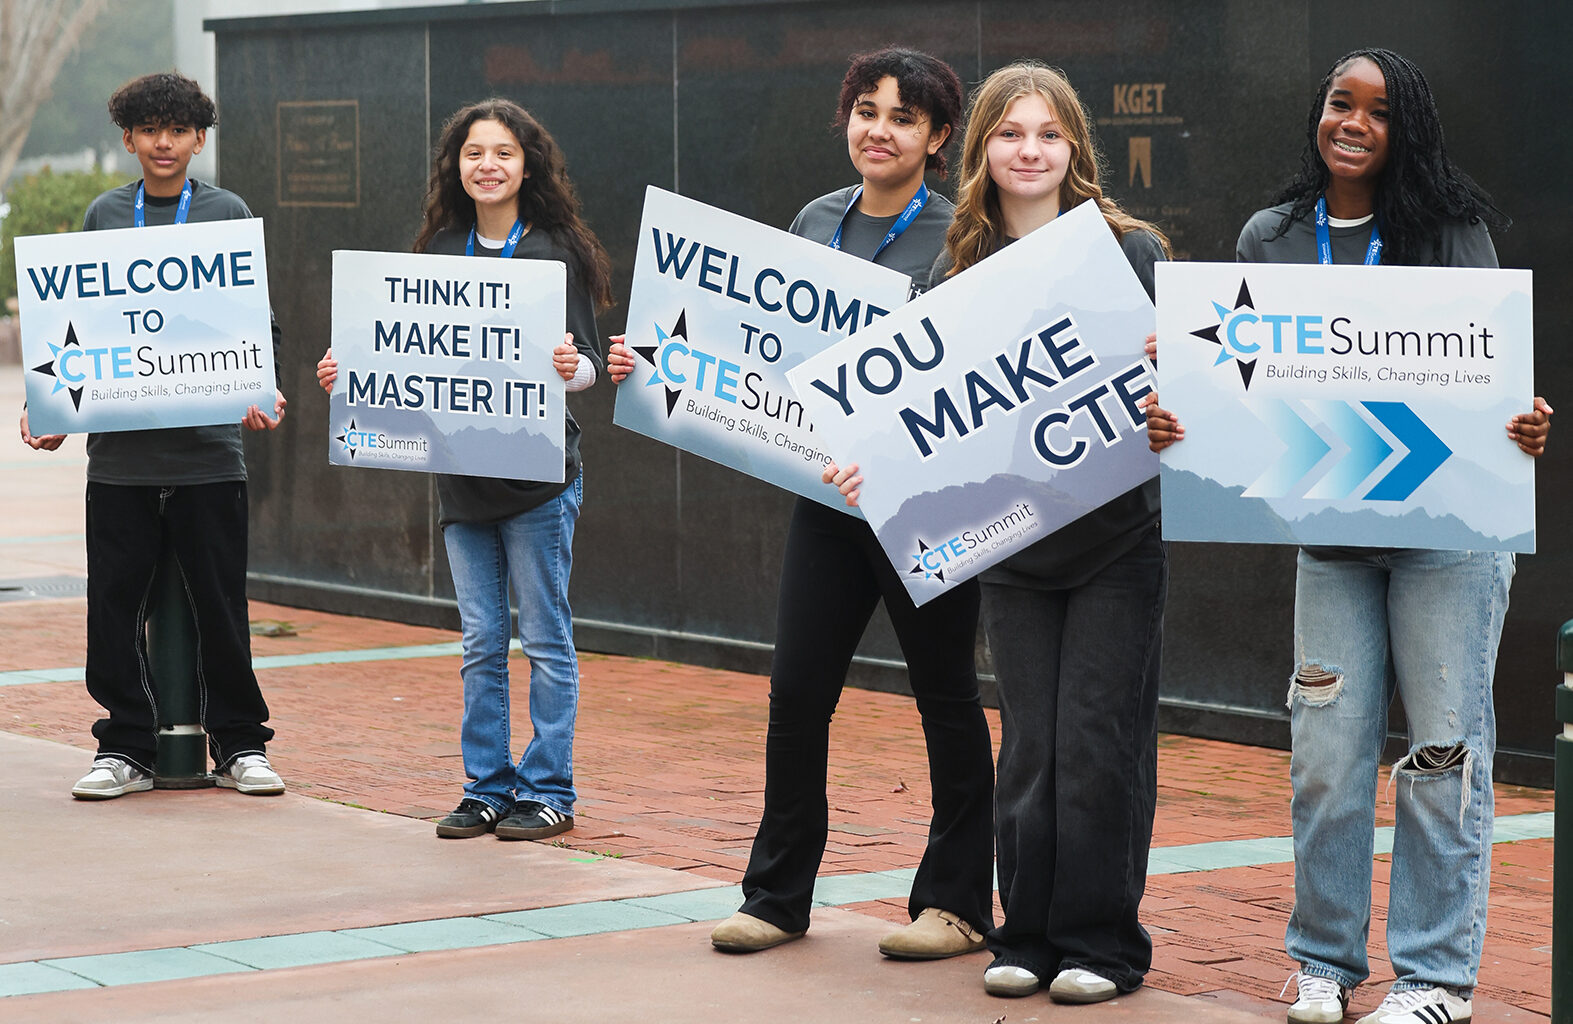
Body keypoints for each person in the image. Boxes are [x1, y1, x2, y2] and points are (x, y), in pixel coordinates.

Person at [1144, 48, 1552, 1024]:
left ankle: (1433, 979)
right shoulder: (1271, 236)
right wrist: (1180, 415)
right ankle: (1324, 961)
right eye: (1339, 103)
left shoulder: (1451, 231)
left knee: (1444, 751)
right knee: (1325, 749)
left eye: (1376, 110)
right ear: (1318, 114)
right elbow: (1233, 386)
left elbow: (1492, 380)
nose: (1354, 122)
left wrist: (1522, 424)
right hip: (1328, 528)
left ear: (1403, 126)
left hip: (1447, 531)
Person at [607, 46, 996, 961]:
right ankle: (777, 897)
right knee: (796, 696)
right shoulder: (815, 221)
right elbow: (756, 357)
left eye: (904, 117)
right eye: (867, 110)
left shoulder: (959, 235)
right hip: (823, 498)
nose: (880, 130)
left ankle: (956, 904)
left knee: (946, 698)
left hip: (918, 504)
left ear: (938, 138)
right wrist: (655, 363)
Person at [827, 61, 1170, 1004]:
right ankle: (1023, 934)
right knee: (1027, 747)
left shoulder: (1130, 252)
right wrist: (875, 467)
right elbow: (921, 417)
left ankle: (1102, 946)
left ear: (1074, 150)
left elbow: (1199, 398)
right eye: (1011, 133)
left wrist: (1171, 385)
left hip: (1115, 548)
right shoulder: (957, 269)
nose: (1030, 150)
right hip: (1012, 547)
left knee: (1097, 746)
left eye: (1048, 134)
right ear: (981, 149)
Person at [317, 99, 607, 841]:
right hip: (461, 485)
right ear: (456, 165)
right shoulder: (439, 250)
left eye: (503, 152)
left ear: (527, 165)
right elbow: (402, 356)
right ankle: (485, 786)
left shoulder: (554, 250)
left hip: (540, 484)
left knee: (544, 638)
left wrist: (571, 367)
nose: (487, 164)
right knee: (481, 641)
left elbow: (591, 369)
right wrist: (347, 377)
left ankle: (548, 792)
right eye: (473, 152)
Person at [19, 71, 289, 800]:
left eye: (176, 129)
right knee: (113, 610)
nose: (162, 143)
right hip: (121, 460)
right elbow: (72, 321)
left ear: (199, 138)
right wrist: (48, 410)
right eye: (147, 130)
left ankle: (239, 745)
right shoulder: (105, 214)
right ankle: (125, 748)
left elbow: (252, 318)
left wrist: (260, 387)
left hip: (208, 455)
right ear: (129, 139)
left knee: (222, 609)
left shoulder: (226, 210)